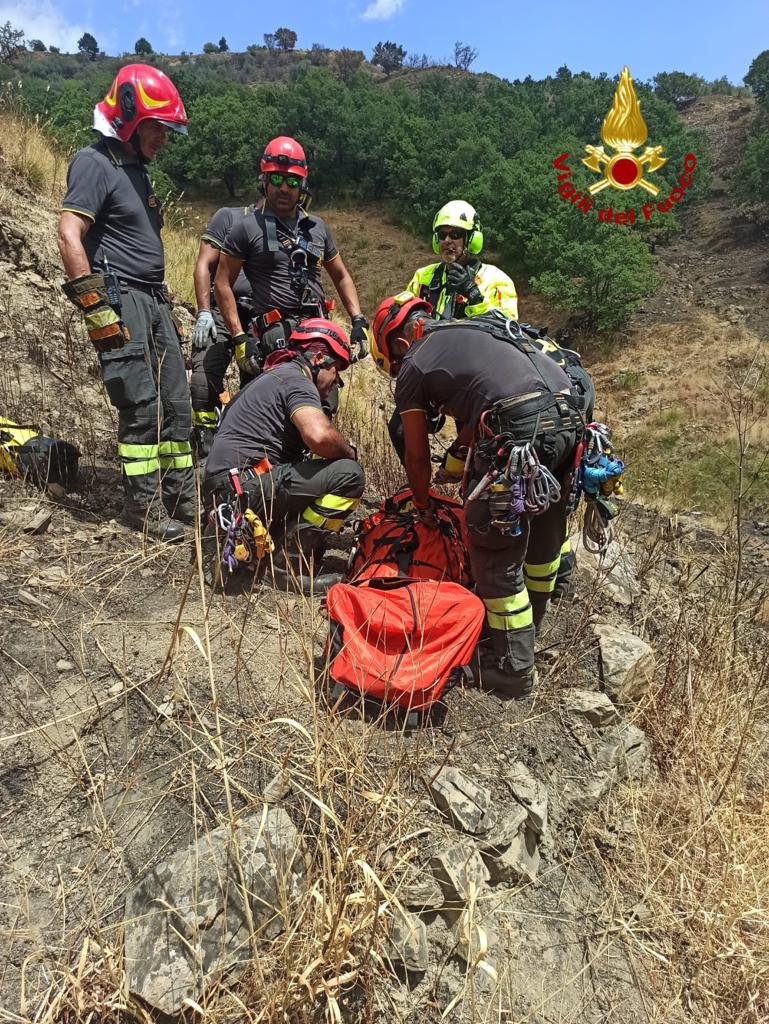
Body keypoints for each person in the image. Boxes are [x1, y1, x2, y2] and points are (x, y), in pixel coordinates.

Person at [371, 295, 583, 698]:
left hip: (519, 433)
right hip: (569, 421)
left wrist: (423, 504)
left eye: (394, 363)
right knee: (543, 537)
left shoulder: (415, 362)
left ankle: (513, 668)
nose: (400, 369)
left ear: (397, 343)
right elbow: (473, 423)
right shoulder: (471, 331)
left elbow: (416, 457)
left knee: (492, 549)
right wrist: (456, 465)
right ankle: (528, 632)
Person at [57, 63, 194, 542]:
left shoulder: (135, 171)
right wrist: (96, 308)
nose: (164, 138)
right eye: (158, 128)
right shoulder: (94, 163)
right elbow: (70, 232)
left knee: (177, 404)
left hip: (153, 300)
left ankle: (182, 498)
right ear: (131, 119)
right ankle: (144, 508)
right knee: (141, 404)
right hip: (122, 296)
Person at [203, 319, 364, 593]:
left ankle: (264, 548)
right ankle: (286, 566)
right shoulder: (297, 381)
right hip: (245, 487)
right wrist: (350, 453)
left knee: (315, 469)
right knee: (349, 474)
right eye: (337, 370)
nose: (338, 380)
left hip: (231, 489)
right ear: (318, 358)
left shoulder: (275, 377)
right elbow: (320, 437)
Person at [214, 136, 370, 394]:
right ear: (263, 181)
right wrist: (240, 338)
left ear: (303, 185)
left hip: (316, 338)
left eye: (292, 181)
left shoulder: (317, 228)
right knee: (267, 415)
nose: (284, 188)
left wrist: (358, 321)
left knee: (321, 415)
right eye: (276, 178)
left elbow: (341, 275)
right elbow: (222, 283)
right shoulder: (247, 227)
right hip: (272, 340)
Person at [388, 200, 519, 460]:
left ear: (471, 238)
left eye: (456, 235)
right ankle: (419, 492)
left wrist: (473, 295)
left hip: (475, 379)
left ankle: (468, 494)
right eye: (443, 235)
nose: (448, 241)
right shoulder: (424, 276)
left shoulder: (497, 280)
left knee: (478, 447)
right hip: (429, 371)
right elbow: (402, 318)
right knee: (401, 429)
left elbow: (509, 330)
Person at [190, 204, 255, 460]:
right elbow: (204, 263)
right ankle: (204, 443)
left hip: (259, 315)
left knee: (255, 383)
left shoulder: (282, 226)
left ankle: (244, 446)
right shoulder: (228, 217)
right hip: (220, 309)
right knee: (203, 377)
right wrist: (204, 311)